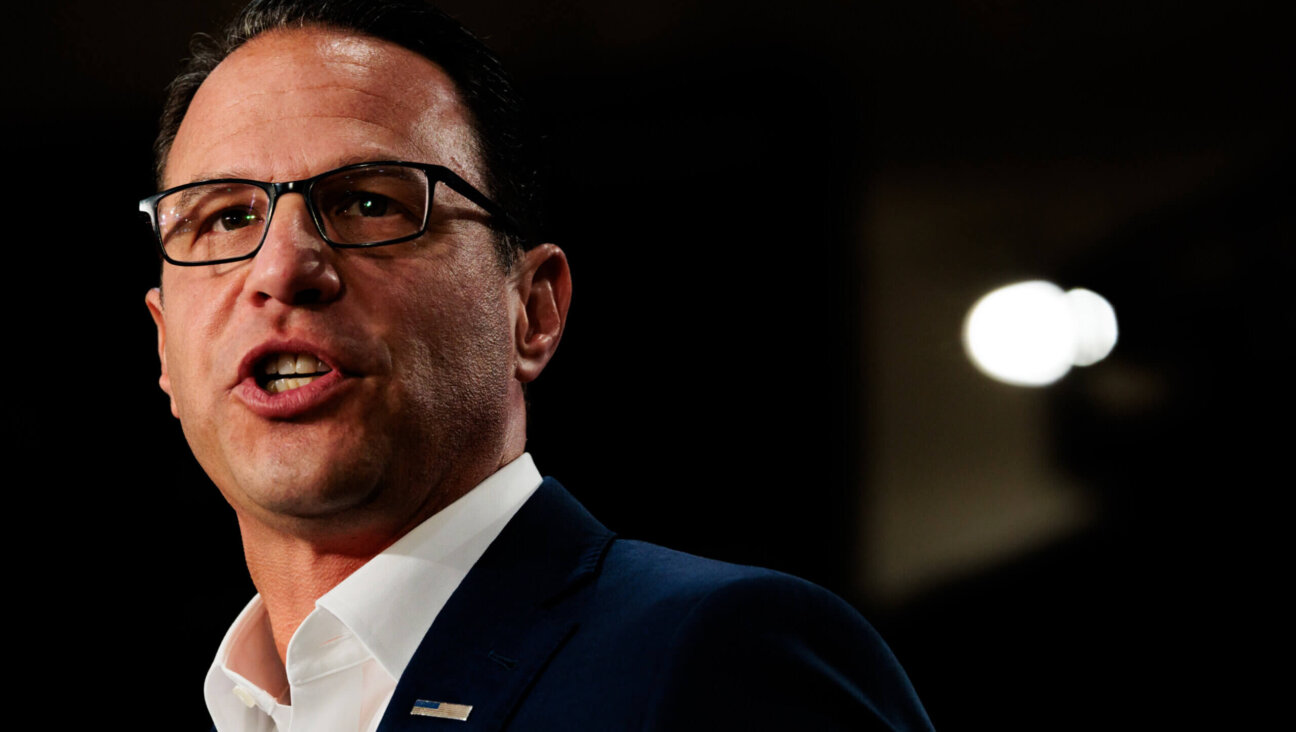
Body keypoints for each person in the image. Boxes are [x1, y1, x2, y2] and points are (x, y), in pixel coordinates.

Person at [141, 1, 933, 729]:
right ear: (164, 345)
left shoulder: (719, 655)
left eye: (371, 201)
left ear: (533, 311)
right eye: (226, 216)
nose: (282, 267)